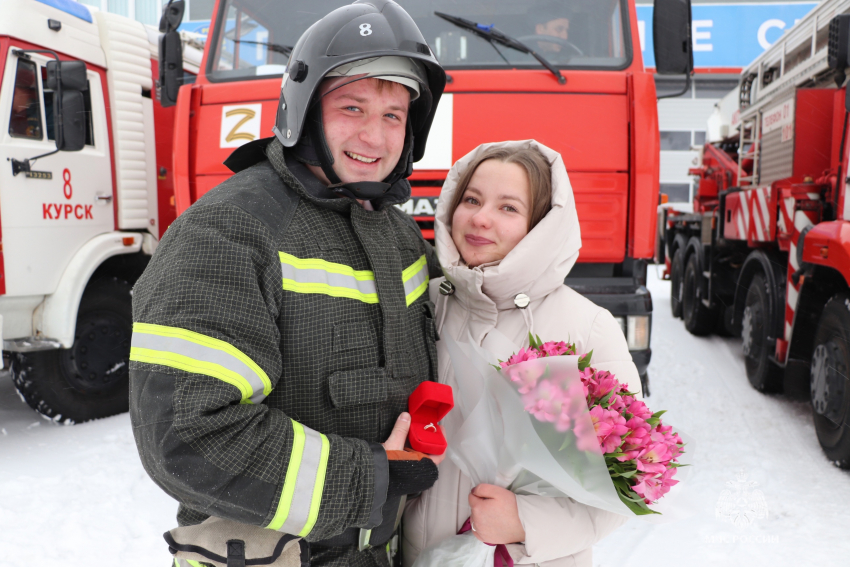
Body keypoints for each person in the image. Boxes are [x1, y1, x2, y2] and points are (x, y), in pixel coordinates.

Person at [129, 1, 447, 566]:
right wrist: (366, 479)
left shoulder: (398, 236)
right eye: (353, 107)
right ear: (303, 108)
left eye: (394, 115)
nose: (375, 136)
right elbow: (186, 435)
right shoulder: (230, 231)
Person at [402, 140, 642, 567]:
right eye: (471, 199)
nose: (479, 217)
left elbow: (623, 486)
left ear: (542, 226)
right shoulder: (425, 303)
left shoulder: (585, 327)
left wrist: (524, 522)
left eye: (508, 208)